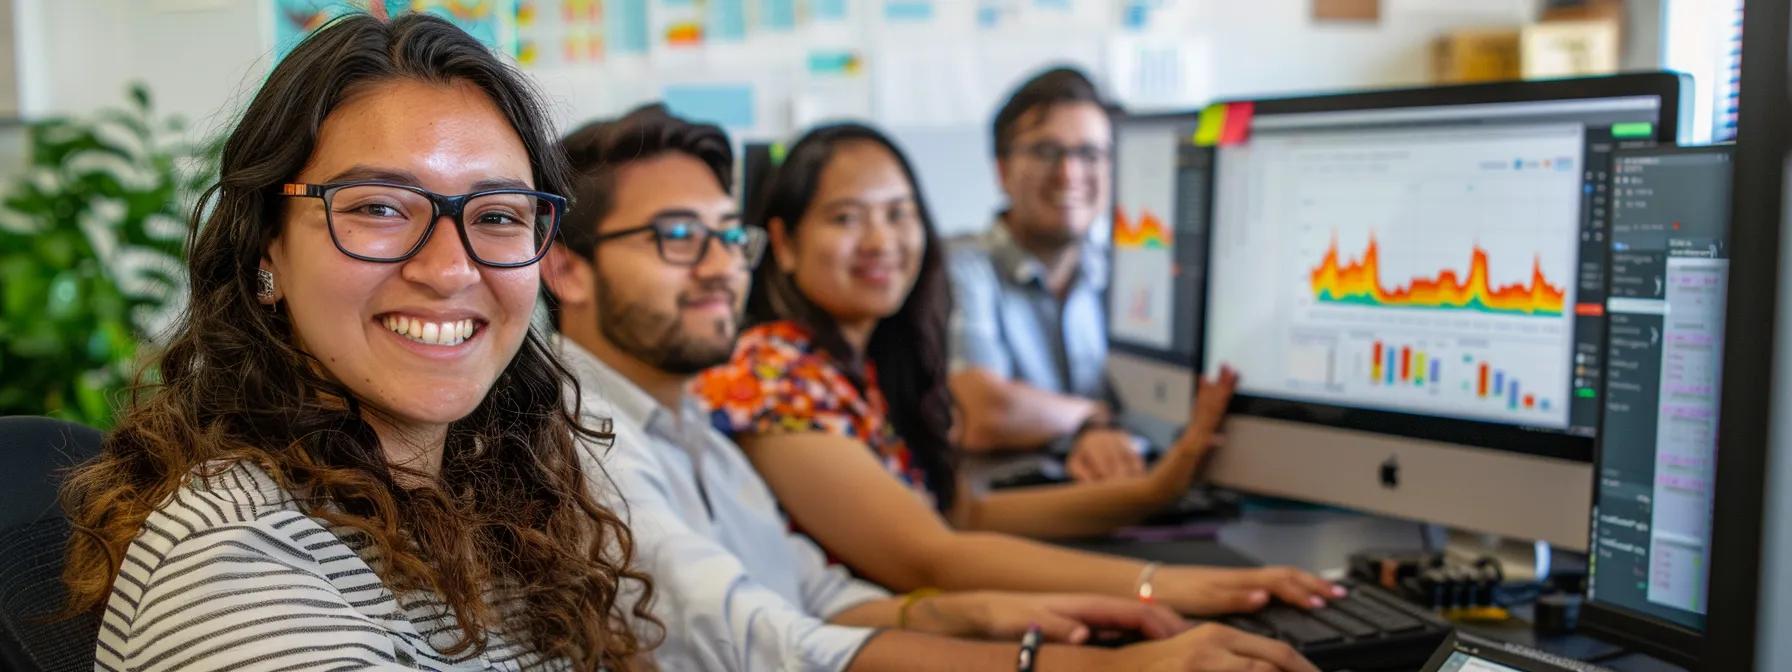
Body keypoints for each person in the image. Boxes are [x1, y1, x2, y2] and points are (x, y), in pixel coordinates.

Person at [543, 105, 1318, 672]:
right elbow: (772, 635)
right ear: (565, 266)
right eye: (678, 237)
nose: (718, 265)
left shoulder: (693, 417)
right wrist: (1120, 641)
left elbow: (815, 585)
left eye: (723, 234)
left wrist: (980, 612)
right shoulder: (622, 429)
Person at [58, 14, 653, 671]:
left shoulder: (491, 516)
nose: (451, 269)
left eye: (497, 216)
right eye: (380, 207)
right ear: (267, 249)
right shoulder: (237, 561)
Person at [698, 121, 1343, 620]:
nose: (881, 241)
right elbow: (935, 556)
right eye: (847, 218)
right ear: (782, 243)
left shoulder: (853, 367)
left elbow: (965, 516)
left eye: (899, 213)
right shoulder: (771, 375)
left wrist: (1155, 491)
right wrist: (1170, 588)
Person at [946, 67, 1146, 483]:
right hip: (1004, 510)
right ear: (1002, 169)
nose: (1069, 174)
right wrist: (1095, 419)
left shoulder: (1129, 268)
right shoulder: (960, 267)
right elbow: (986, 412)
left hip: (1113, 495)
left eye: (1090, 155)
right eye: (1045, 152)